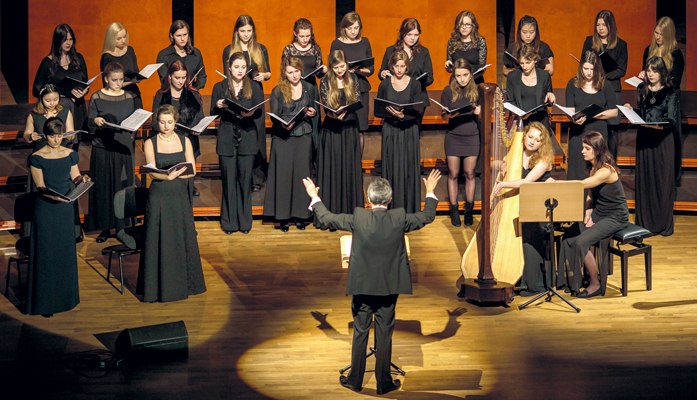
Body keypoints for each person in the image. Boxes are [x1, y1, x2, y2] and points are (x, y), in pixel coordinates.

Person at [303, 169, 441, 395]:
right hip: (388, 289)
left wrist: (313, 196)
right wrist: (430, 191)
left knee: (360, 332)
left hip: (363, 287)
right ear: (390, 199)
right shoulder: (399, 218)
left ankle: (354, 381)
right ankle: (384, 383)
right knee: (384, 334)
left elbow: (326, 218)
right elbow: (427, 216)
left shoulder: (359, 217)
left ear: (368, 199)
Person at [136, 105, 206, 303]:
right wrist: (168, 176)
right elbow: (151, 172)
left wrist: (179, 173)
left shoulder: (185, 140)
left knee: (180, 238)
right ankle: (156, 290)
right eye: (162, 122)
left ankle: (184, 286)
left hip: (179, 196)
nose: (166, 126)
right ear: (157, 122)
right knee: (159, 240)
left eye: (170, 122)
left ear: (175, 122)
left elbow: (192, 170)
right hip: (159, 195)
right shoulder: (150, 142)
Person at [27, 117, 90, 317]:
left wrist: (83, 179)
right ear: (46, 136)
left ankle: (66, 299)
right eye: (53, 137)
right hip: (47, 208)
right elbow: (40, 186)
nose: (56, 140)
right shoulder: (37, 157)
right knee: (47, 254)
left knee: (64, 252)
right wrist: (53, 196)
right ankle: (46, 303)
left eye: (60, 136)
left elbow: (76, 177)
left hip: (65, 208)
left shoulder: (70, 154)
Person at [555, 131, 628, 298]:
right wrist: (588, 212)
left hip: (615, 216)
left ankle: (596, 284)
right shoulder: (593, 166)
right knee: (567, 237)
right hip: (599, 212)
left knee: (580, 242)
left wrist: (557, 183)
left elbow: (583, 184)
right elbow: (591, 193)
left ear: (598, 149)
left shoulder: (606, 171)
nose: (582, 151)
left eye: (587, 148)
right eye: (583, 147)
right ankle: (572, 280)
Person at [492, 122, 554, 295]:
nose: (533, 142)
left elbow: (526, 182)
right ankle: (511, 276)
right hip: (516, 203)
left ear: (542, 144)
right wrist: (500, 165)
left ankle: (532, 282)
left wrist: (504, 184)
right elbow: (493, 165)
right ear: (524, 135)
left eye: (537, 140)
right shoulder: (515, 153)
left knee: (526, 233)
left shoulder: (544, 159)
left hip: (535, 206)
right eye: (530, 137)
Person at [624, 56, 680, 236]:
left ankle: (661, 224)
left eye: (655, 71)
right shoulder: (642, 89)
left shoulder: (670, 93)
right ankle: (645, 223)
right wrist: (632, 111)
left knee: (662, 182)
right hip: (645, 139)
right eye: (648, 70)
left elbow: (671, 120)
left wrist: (654, 124)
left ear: (662, 72)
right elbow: (643, 112)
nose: (651, 74)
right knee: (645, 180)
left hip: (663, 141)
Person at [210, 52, 264, 234]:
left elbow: (259, 111)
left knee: (244, 182)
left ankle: (244, 223)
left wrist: (249, 113)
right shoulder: (219, 87)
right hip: (226, 139)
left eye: (243, 67)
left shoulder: (254, 87)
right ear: (229, 67)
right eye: (236, 67)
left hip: (247, 137)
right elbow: (212, 113)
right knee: (229, 182)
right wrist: (217, 106)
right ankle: (229, 223)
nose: (240, 71)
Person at [263, 57, 317, 232]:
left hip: (303, 136)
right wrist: (284, 123)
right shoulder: (278, 90)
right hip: (283, 138)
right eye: (290, 72)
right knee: (284, 178)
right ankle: (283, 217)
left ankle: (301, 216)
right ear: (284, 73)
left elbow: (314, 110)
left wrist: (313, 112)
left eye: (297, 71)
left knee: (302, 176)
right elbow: (274, 115)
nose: (294, 75)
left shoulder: (309, 88)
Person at [22, 84, 81, 240]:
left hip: (60, 157)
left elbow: (71, 133)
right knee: (41, 194)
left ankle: (69, 231)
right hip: (42, 159)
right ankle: (36, 231)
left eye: (55, 99)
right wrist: (31, 136)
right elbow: (26, 135)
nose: (52, 103)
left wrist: (67, 136)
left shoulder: (65, 112)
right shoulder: (34, 115)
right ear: (41, 100)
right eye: (48, 100)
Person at [86, 62, 136, 243]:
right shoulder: (97, 97)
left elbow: (132, 122)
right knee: (104, 188)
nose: (118, 84)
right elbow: (89, 123)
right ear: (106, 79)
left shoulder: (129, 97)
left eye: (121, 80)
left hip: (122, 147)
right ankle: (105, 227)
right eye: (114, 80)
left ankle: (122, 226)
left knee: (122, 187)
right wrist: (97, 120)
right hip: (103, 147)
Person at [314, 50, 364, 228]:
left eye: (342, 66)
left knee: (349, 168)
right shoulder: (325, 81)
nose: (339, 70)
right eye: (335, 67)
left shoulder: (353, 79)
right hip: (332, 130)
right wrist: (333, 114)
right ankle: (331, 216)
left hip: (350, 128)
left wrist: (347, 110)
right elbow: (326, 104)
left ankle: (350, 215)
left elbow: (357, 99)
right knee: (333, 169)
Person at [223, 15, 271, 192]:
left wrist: (263, 76)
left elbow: (268, 73)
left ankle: (256, 177)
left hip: (255, 94)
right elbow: (226, 75)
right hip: (237, 96)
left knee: (256, 135)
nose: (246, 35)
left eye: (249, 31)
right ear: (237, 32)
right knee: (239, 134)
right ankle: (241, 175)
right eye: (242, 31)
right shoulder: (229, 50)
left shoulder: (260, 49)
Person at [376, 50, 424, 214]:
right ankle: (390, 208)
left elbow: (418, 111)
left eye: (402, 66)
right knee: (391, 168)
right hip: (390, 130)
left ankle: (409, 210)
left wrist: (403, 115)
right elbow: (378, 110)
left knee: (408, 169)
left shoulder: (415, 84)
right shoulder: (384, 84)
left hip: (408, 131)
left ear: (407, 66)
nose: (399, 70)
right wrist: (391, 113)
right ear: (391, 66)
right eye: (396, 66)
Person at [438, 59, 481, 227]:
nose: (462, 79)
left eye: (465, 75)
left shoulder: (477, 91)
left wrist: (479, 111)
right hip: (454, 135)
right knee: (453, 173)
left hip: (471, 135)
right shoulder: (447, 91)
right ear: (453, 76)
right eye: (458, 76)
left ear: (471, 75)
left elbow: (486, 113)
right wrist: (450, 115)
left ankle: (469, 209)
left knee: (470, 173)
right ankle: (454, 210)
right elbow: (444, 116)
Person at [152, 60, 205, 196]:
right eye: (177, 78)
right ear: (169, 76)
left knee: (186, 186)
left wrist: (198, 128)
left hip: (189, 143)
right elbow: (154, 122)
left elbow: (201, 118)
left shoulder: (193, 94)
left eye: (183, 77)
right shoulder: (161, 95)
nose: (181, 81)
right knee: (169, 188)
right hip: (167, 146)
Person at [564, 50, 618, 180]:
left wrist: (593, 115)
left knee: (597, 171)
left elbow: (614, 112)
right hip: (578, 133)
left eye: (592, 69)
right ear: (581, 67)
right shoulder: (572, 84)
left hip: (598, 134)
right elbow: (570, 110)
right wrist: (574, 118)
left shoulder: (606, 85)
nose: (588, 73)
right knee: (577, 171)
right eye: (585, 68)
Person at [581, 10, 627, 160]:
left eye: (604, 25)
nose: (600, 28)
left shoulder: (621, 45)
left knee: (612, 130)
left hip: (612, 90)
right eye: (598, 25)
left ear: (611, 26)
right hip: (593, 90)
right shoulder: (589, 42)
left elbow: (621, 70)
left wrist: (602, 77)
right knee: (594, 128)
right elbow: (583, 63)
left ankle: (611, 165)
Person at [32, 24, 89, 131]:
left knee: (76, 141)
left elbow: (85, 83)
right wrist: (58, 94)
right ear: (57, 41)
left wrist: (83, 92)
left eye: (70, 39)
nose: (68, 43)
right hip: (58, 108)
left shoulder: (79, 58)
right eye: (64, 40)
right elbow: (36, 90)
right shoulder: (47, 62)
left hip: (77, 107)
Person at [331, 12, 374, 151]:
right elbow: (332, 66)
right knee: (345, 129)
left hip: (361, 88)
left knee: (360, 131)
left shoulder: (365, 41)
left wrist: (359, 70)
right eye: (350, 28)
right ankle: (345, 165)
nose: (353, 31)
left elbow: (371, 69)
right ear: (343, 28)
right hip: (342, 88)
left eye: (356, 28)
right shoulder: (337, 43)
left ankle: (358, 166)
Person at [282, 18, 327, 151]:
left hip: (311, 88)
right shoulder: (289, 49)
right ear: (295, 33)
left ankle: (314, 158)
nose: (305, 39)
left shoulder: (315, 49)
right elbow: (284, 71)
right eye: (302, 36)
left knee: (313, 120)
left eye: (308, 36)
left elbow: (318, 73)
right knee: (297, 119)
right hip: (294, 89)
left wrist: (323, 70)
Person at [378, 18, 434, 119]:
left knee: (414, 132)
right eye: (409, 34)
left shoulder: (424, 52)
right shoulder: (390, 51)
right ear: (402, 34)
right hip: (394, 99)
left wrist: (417, 83)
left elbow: (430, 77)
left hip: (417, 99)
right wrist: (382, 74)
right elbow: (381, 72)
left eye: (416, 35)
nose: (413, 38)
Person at [505, 44, 555, 134]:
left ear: (535, 60)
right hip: (520, 123)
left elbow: (549, 101)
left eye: (528, 63)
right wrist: (520, 114)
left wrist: (551, 98)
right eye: (521, 63)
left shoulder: (544, 76)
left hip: (541, 123)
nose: (524, 67)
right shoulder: (512, 76)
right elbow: (510, 101)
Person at [100, 22, 143, 109]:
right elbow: (108, 85)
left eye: (124, 37)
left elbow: (136, 71)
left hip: (134, 95)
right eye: (119, 38)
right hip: (118, 98)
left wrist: (139, 77)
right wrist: (132, 81)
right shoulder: (107, 56)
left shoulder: (130, 50)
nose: (123, 41)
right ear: (111, 39)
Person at [156, 20, 206, 90]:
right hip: (171, 97)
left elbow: (202, 77)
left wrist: (193, 88)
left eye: (185, 35)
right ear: (171, 35)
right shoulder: (164, 55)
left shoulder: (196, 53)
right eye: (178, 36)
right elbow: (165, 80)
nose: (182, 39)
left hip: (191, 95)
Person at [639, 17, 684, 90]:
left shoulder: (676, 53)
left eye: (662, 34)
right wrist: (644, 73)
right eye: (656, 33)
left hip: (668, 95)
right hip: (651, 92)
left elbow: (676, 82)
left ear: (669, 35)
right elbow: (645, 70)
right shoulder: (649, 50)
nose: (658, 37)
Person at [445, 11, 487, 84]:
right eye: (461, 24)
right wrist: (448, 66)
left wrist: (469, 76)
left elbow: (482, 68)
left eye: (467, 24)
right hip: (456, 83)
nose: (464, 27)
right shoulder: (452, 42)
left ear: (472, 26)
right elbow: (450, 70)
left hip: (474, 82)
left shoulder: (480, 41)